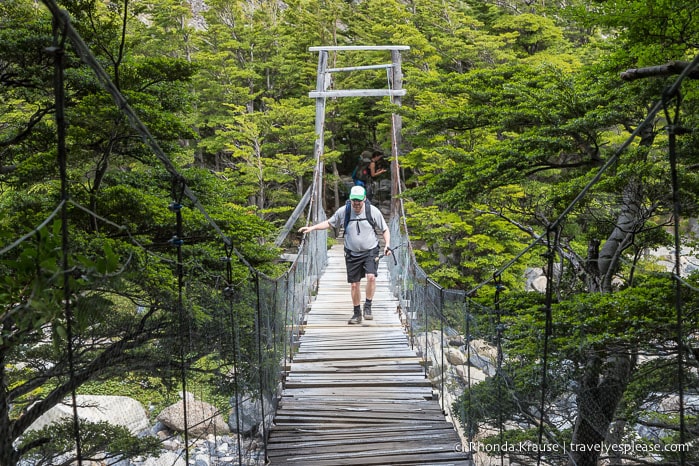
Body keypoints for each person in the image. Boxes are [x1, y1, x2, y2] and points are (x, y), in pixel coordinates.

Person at [298, 185, 391, 324]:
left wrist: (387, 244)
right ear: (350, 199)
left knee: (371, 277)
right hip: (352, 253)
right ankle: (357, 313)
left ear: (364, 199)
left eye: (359, 200)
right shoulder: (344, 211)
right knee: (354, 285)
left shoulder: (372, 211)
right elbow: (329, 223)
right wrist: (312, 227)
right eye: (354, 200)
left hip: (370, 250)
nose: (356, 203)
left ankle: (368, 306)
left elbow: (385, 229)